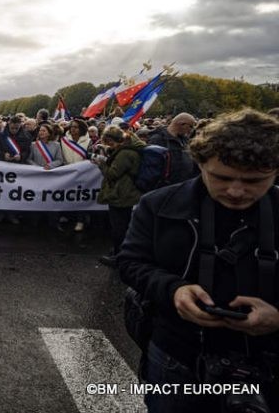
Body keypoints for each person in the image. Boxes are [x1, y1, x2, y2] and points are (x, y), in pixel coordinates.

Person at [118, 108, 279, 412]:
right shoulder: (158, 204)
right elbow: (129, 262)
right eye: (222, 177)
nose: (236, 191)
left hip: (267, 362)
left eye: (254, 181)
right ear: (200, 162)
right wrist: (174, 290)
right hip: (177, 354)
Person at [93, 126, 145, 267]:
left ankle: (119, 256)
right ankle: (119, 250)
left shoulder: (125, 153)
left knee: (119, 227)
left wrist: (101, 164)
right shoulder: (127, 150)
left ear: (111, 139)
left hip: (121, 193)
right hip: (124, 192)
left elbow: (112, 173)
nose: (107, 144)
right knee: (122, 224)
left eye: (108, 141)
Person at [147, 112, 198, 185]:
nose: (191, 130)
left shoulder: (185, 140)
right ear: (182, 124)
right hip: (164, 188)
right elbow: (152, 167)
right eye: (191, 126)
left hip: (182, 185)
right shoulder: (158, 139)